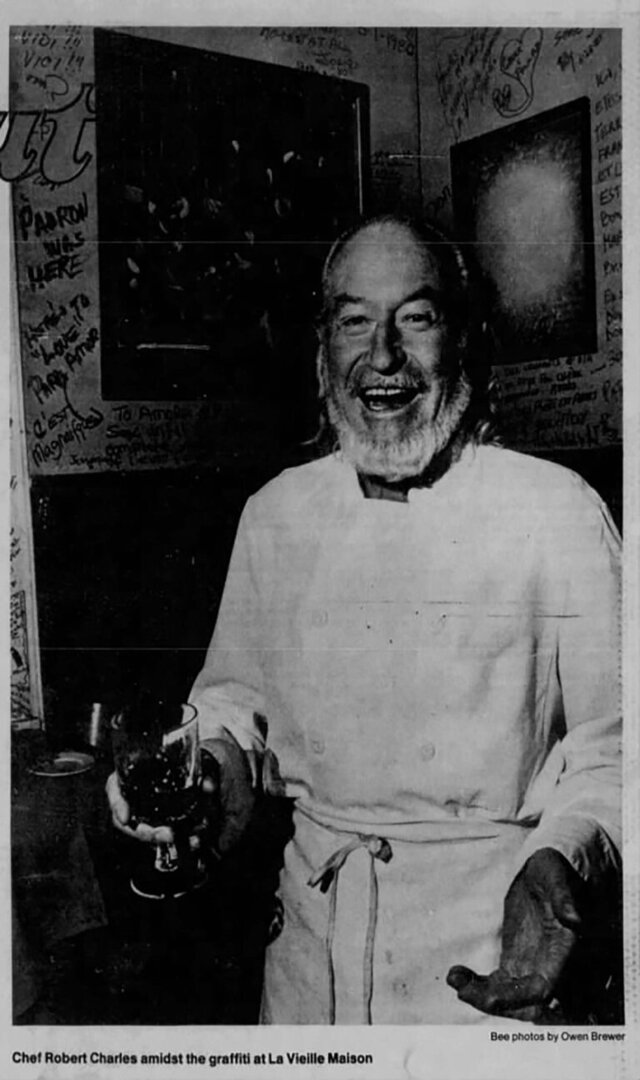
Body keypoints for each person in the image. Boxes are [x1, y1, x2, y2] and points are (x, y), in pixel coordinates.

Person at [108, 215, 621, 1025]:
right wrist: (209, 772)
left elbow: (619, 748)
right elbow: (233, 707)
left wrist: (567, 854)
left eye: (415, 317)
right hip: (311, 966)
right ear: (323, 355)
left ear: (461, 338)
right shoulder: (276, 515)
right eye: (355, 321)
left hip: (493, 960)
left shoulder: (556, 511)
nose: (383, 357)